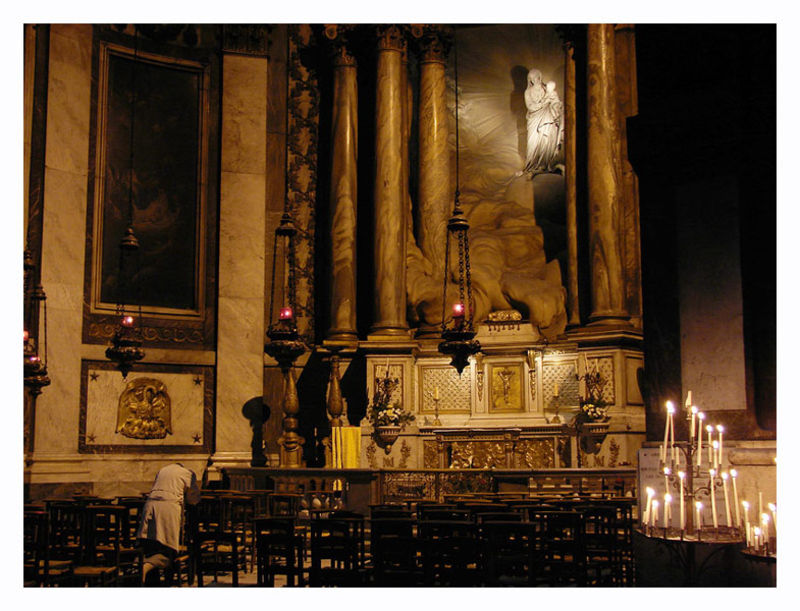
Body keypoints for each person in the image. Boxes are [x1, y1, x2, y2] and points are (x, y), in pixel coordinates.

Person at [136, 462, 201, 585]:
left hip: (150, 505)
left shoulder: (162, 470)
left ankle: (150, 578)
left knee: (151, 543)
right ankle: (147, 566)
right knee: (168, 547)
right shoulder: (187, 473)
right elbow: (193, 498)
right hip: (168, 507)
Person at [522, 69, 564, 175]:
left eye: (537, 77)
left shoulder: (547, 89)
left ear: (540, 77)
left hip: (548, 119)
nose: (535, 80)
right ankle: (531, 165)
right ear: (530, 80)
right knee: (533, 143)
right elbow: (531, 107)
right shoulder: (528, 92)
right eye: (532, 79)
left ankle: (545, 165)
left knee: (547, 141)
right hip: (535, 119)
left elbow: (555, 101)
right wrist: (544, 102)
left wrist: (557, 105)